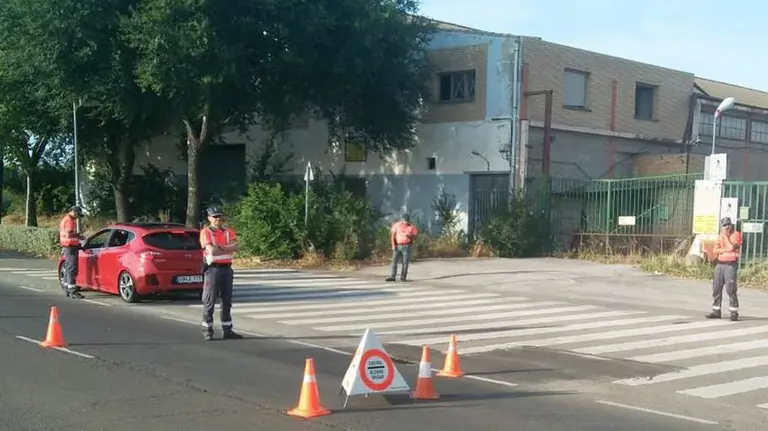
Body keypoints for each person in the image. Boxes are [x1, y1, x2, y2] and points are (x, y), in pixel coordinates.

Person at [199, 207, 242, 341]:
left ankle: (227, 330)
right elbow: (212, 251)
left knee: (227, 300)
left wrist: (220, 248)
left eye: (219, 216)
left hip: (227, 269)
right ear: (209, 218)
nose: (218, 219)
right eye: (215, 216)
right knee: (209, 300)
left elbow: (236, 247)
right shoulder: (205, 232)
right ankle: (207, 330)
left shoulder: (228, 231)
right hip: (213, 269)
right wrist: (227, 248)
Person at [706, 217, 743, 321]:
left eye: (728, 225)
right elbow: (715, 250)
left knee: (731, 289)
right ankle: (716, 310)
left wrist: (726, 238)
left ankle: (734, 312)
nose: (727, 227)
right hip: (720, 264)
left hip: (730, 265)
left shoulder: (736, 234)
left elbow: (732, 247)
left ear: (731, 225)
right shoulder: (720, 236)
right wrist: (725, 249)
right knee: (716, 288)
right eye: (724, 225)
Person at [59, 205, 84, 299]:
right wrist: (78, 235)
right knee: (72, 268)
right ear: (74, 212)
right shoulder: (69, 221)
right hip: (70, 247)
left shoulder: (65, 219)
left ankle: (67, 288)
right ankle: (73, 290)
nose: (78, 217)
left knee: (69, 267)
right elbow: (69, 234)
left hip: (67, 246)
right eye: (78, 215)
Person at [386, 213, 418, 282]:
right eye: (404, 221)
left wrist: (410, 236)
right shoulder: (397, 225)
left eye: (407, 221)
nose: (406, 222)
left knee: (405, 262)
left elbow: (415, 237)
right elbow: (393, 235)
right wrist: (393, 245)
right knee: (394, 261)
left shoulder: (412, 227)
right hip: (398, 245)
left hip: (407, 246)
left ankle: (403, 277)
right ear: (402, 220)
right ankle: (392, 276)